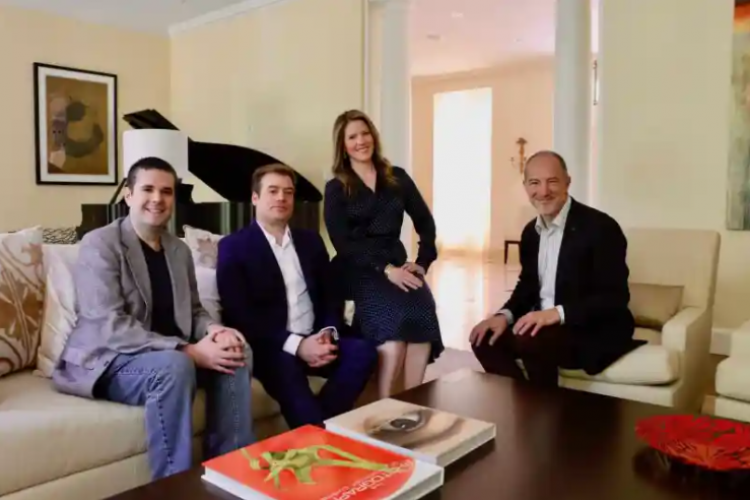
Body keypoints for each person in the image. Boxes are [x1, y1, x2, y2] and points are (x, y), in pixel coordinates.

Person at [52, 157, 255, 480]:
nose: (157, 199)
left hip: (165, 354)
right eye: (147, 189)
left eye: (166, 191)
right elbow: (109, 325)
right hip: (108, 359)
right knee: (176, 365)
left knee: (237, 353)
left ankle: (229, 472)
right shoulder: (100, 244)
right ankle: (173, 486)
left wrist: (216, 330)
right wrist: (189, 351)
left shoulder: (179, 250)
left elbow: (194, 312)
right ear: (129, 195)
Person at [216, 164, 378, 429]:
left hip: (316, 336)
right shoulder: (234, 247)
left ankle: (319, 425)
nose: (281, 198)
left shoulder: (310, 241)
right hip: (274, 347)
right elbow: (240, 315)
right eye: (273, 191)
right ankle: (318, 434)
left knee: (363, 352)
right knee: (287, 371)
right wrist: (298, 346)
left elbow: (330, 295)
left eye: (288, 192)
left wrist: (327, 333)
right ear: (255, 198)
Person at [469, 150, 644, 387]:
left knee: (531, 339)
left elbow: (615, 298)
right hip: (545, 327)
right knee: (484, 339)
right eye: (534, 183)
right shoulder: (531, 233)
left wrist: (556, 313)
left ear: (567, 182)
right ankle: (523, 405)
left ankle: (545, 416)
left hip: (591, 327)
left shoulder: (601, 227)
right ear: (525, 187)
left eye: (552, 181)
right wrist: (503, 316)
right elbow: (527, 286)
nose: (543, 191)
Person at [323, 109, 444, 400]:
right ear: (343, 145)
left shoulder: (397, 178)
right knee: (396, 328)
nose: (361, 141)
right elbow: (342, 243)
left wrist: (422, 263)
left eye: (365, 133)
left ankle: (413, 402)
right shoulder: (336, 187)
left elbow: (425, 223)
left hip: (397, 262)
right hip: (357, 267)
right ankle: (385, 407)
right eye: (352, 137)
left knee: (423, 313)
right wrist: (385, 269)